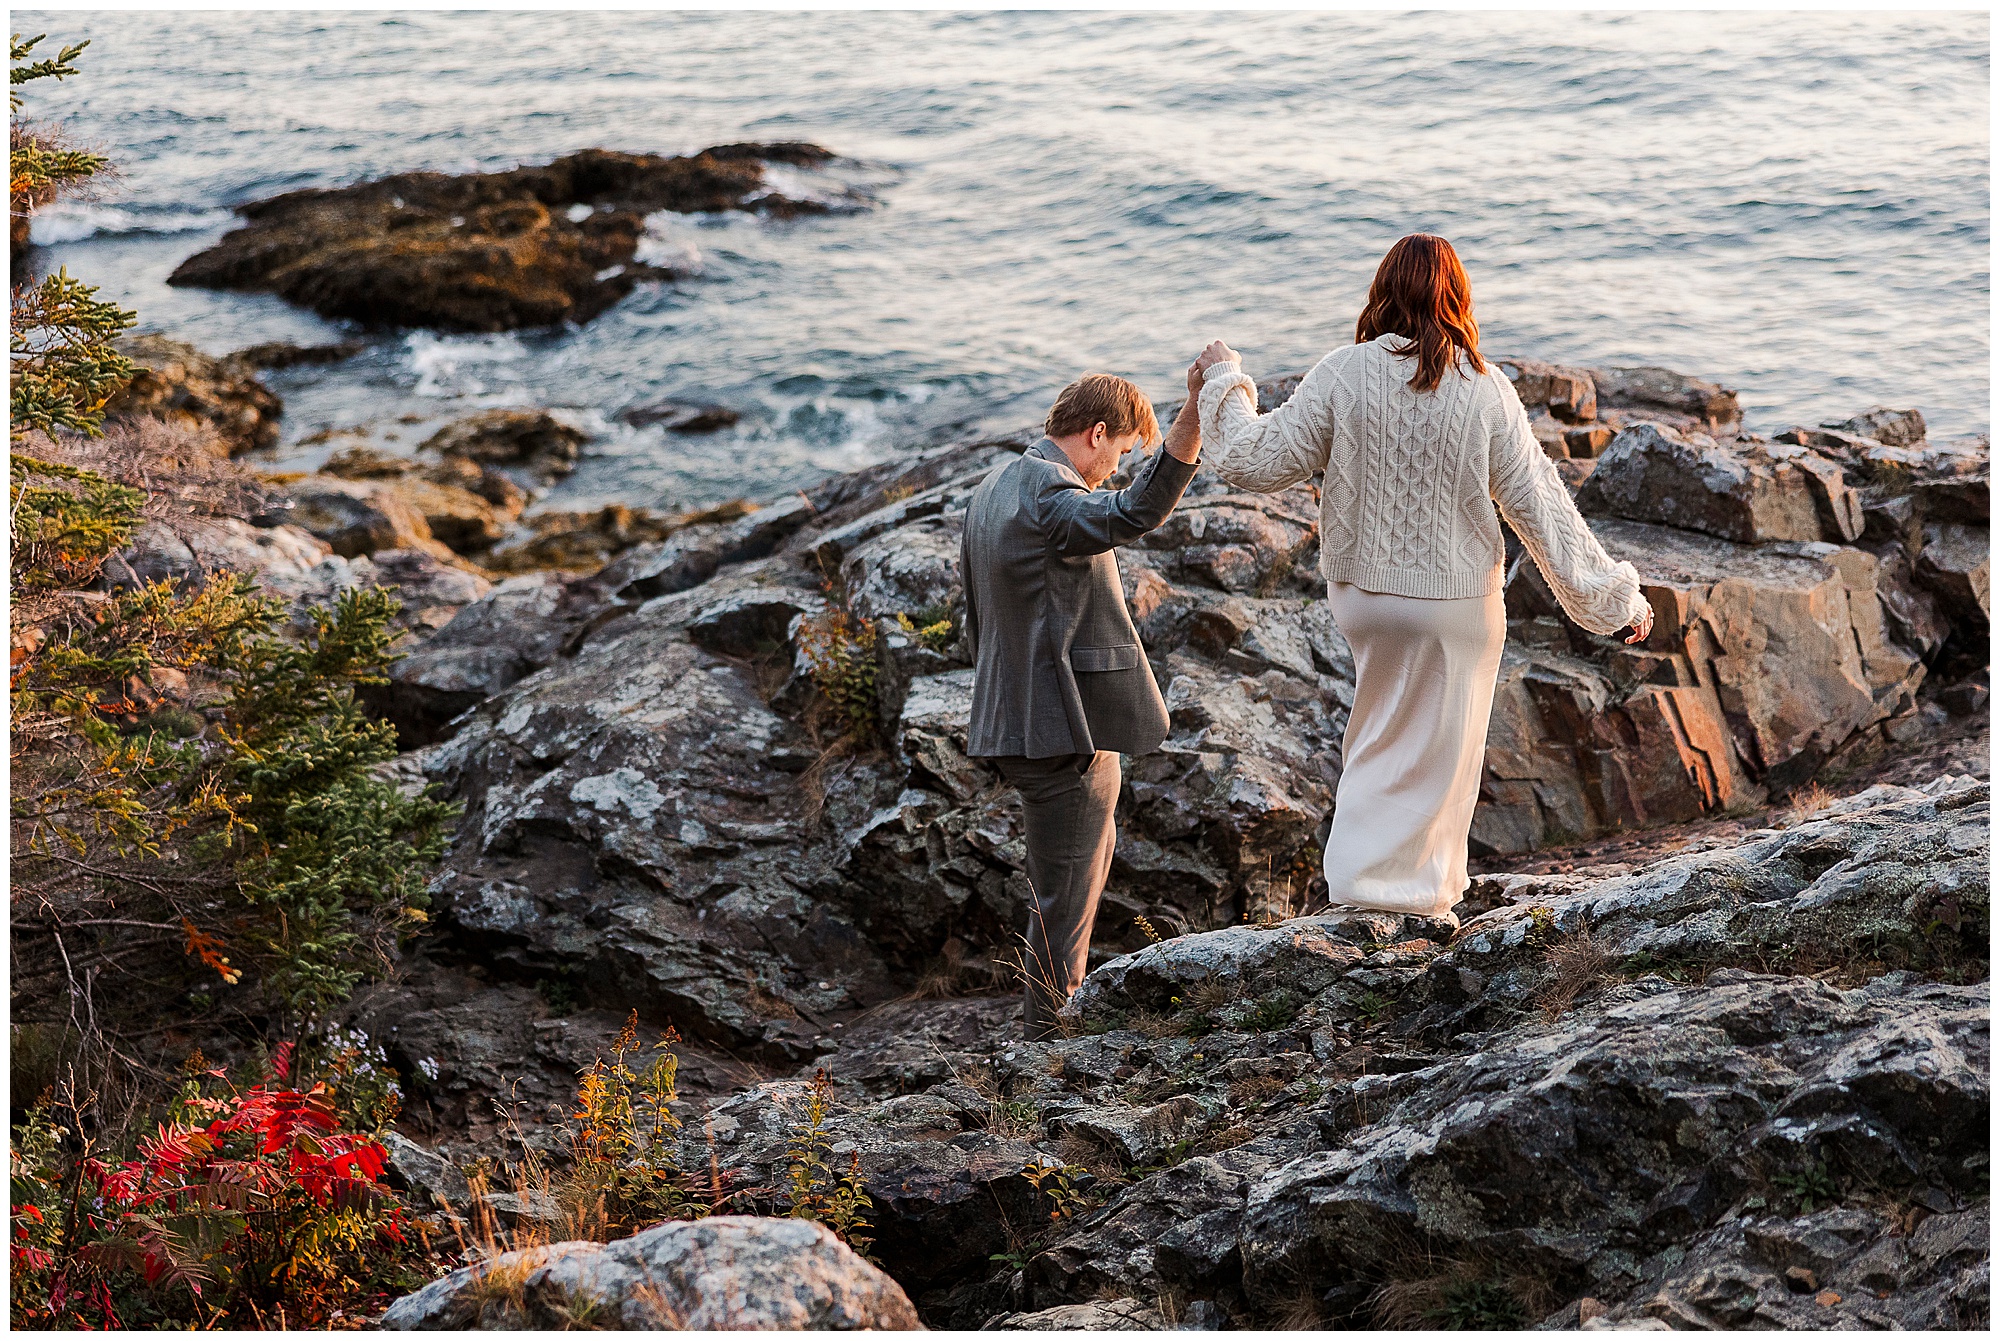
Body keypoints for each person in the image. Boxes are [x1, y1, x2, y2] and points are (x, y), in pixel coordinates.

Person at [1191, 234, 1654, 926]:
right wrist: (1615, 601)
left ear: (1382, 292)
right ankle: (1424, 897)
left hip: (1367, 600)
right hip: (1457, 602)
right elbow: (1543, 510)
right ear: (1457, 298)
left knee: (1376, 732)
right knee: (1447, 747)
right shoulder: (1485, 388)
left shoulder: (1344, 372)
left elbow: (1253, 459)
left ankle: (1358, 885)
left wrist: (1225, 379)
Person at [962, 368, 1204, 1039]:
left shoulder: (992, 488)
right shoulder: (1051, 495)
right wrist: (1194, 414)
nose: (1115, 468)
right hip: (1061, 732)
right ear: (1097, 433)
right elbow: (1136, 512)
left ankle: (1048, 1023)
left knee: (1067, 881)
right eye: (1121, 453)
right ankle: (1048, 1045)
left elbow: (972, 622)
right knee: (1063, 898)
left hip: (1014, 722)